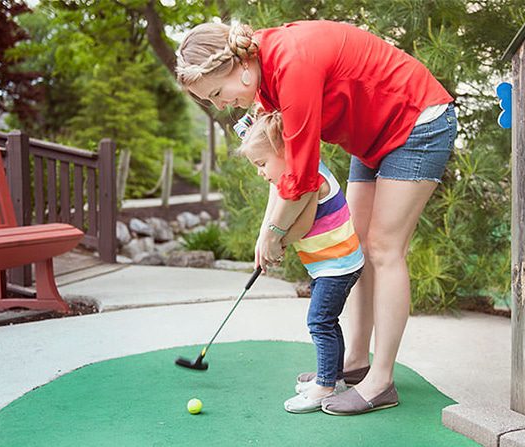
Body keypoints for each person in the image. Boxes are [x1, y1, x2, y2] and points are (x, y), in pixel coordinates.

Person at [176, 19, 457, 415]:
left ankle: (381, 381)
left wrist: (276, 233)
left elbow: (303, 177)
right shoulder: (264, 85)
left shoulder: (291, 64)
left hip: (417, 120)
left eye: (217, 94)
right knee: (359, 244)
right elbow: (285, 165)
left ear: (238, 67)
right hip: (373, 136)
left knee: (383, 248)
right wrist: (266, 232)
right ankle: (357, 360)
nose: (221, 106)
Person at [236, 111, 364, 413]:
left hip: (337, 265)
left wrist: (276, 244)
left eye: (262, 163)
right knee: (327, 322)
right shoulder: (296, 178)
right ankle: (334, 378)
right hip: (330, 264)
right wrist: (271, 243)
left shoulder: (309, 180)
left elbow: (302, 226)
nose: (260, 172)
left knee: (319, 321)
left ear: (283, 151)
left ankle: (324, 386)